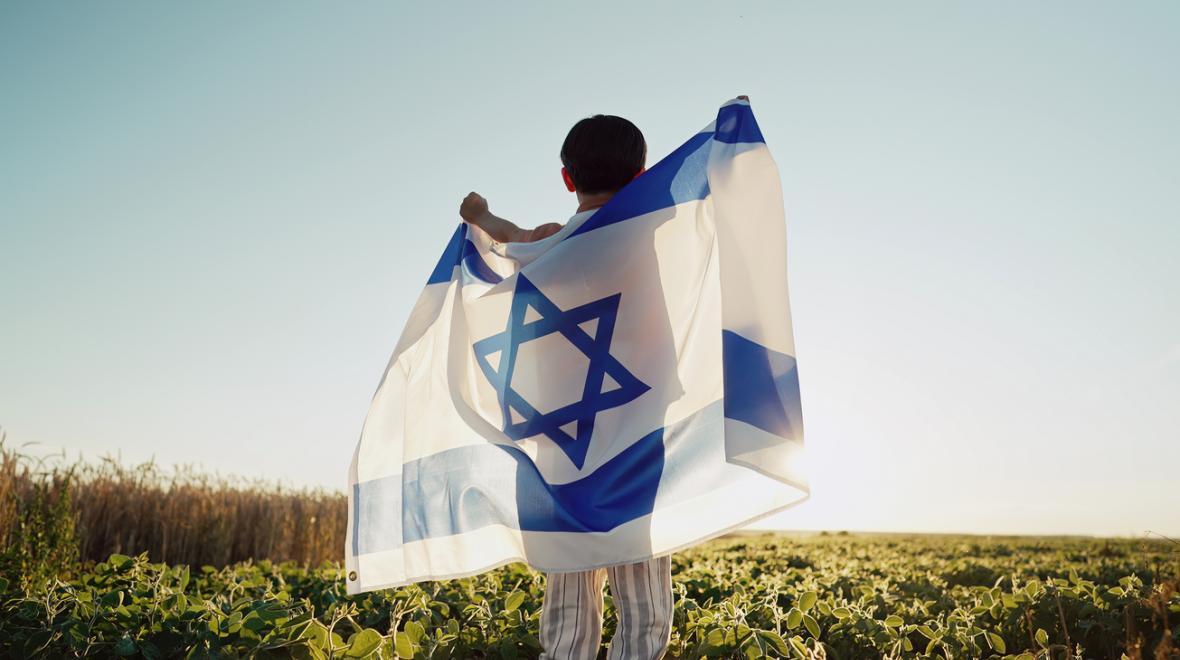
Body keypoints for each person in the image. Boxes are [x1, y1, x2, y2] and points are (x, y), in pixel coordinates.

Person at [458, 98, 750, 658]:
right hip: (636, 436)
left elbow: (502, 230)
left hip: (561, 444)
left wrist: (478, 212)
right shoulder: (651, 231)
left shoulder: (546, 241)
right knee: (643, 602)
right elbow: (697, 188)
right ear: (643, 176)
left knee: (568, 591)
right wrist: (729, 132)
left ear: (566, 178)